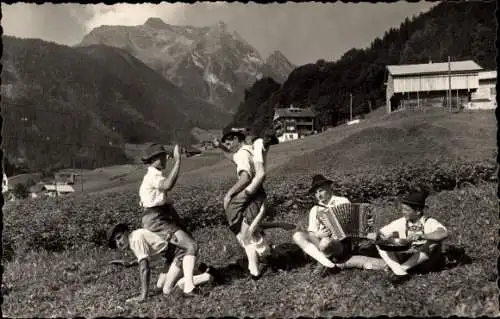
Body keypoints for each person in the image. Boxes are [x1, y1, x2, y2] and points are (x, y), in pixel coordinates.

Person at [293, 174, 386, 277]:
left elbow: (356, 225)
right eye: (315, 193)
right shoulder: (315, 209)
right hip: (319, 242)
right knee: (297, 235)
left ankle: (324, 263)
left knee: (325, 242)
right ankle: (327, 263)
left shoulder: (342, 201)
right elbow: (311, 232)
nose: (318, 195)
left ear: (329, 187)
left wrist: (366, 223)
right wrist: (318, 234)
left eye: (321, 190)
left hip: (340, 245)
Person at [138, 143, 200, 296]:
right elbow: (167, 186)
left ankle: (164, 285)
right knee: (191, 246)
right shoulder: (153, 176)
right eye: (162, 156)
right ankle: (189, 288)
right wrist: (178, 162)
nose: (165, 158)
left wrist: (179, 224)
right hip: (157, 219)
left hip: (157, 217)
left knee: (176, 251)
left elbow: (164, 203)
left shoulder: (152, 174)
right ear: (154, 159)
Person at [106, 223, 223, 303]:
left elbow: (145, 268)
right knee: (159, 286)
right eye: (115, 242)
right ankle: (198, 270)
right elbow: (146, 258)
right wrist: (131, 263)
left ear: (126, 232)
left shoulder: (135, 239)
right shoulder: (135, 238)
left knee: (168, 290)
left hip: (179, 252)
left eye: (119, 237)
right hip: (171, 255)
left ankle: (209, 276)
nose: (119, 243)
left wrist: (143, 296)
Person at [213, 129, 272, 279]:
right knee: (246, 230)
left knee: (242, 230)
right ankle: (262, 258)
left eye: (229, 142)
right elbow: (232, 157)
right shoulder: (247, 151)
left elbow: (245, 177)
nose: (228, 146)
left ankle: (260, 263)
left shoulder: (242, 154)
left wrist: (230, 193)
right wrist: (220, 146)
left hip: (250, 194)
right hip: (256, 194)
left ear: (236, 140)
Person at [376, 188, 449, 285]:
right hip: (405, 256)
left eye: (406, 210)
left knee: (434, 243)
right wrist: (387, 236)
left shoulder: (429, 222)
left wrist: (422, 236)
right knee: (379, 243)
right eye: (402, 209)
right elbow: (380, 233)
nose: (403, 212)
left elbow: (443, 233)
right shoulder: (401, 221)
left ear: (418, 211)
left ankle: (400, 269)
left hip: (425, 262)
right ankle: (400, 273)